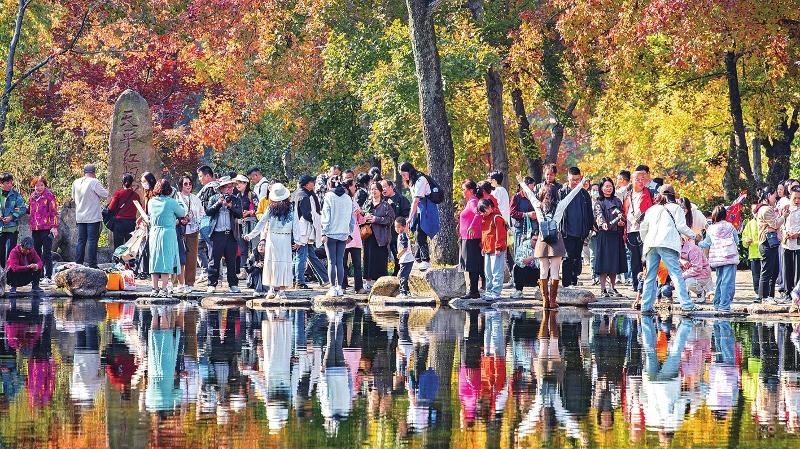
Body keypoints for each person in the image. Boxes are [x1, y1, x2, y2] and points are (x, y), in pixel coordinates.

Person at [518, 173, 586, 309]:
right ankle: (553, 301)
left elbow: (530, 194)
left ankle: (545, 300)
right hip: (556, 239)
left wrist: (521, 182)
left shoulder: (537, 205)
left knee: (543, 270)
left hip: (542, 239)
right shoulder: (560, 205)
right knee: (555, 271)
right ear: (556, 195)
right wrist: (582, 182)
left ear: (542, 194)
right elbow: (572, 194)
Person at [639, 184, 697, 314]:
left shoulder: (652, 209)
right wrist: (694, 235)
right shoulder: (676, 208)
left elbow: (643, 228)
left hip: (651, 244)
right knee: (676, 274)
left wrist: (646, 241)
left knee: (650, 276)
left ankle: (646, 306)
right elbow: (681, 226)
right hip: (667, 243)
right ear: (673, 195)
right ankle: (686, 304)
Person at [244, 183, 295, 300]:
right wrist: (298, 240)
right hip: (281, 238)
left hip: (275, 238)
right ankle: (279, 290)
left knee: (273, 264)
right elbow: (295, 225)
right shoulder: (289, 208)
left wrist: (251, 235)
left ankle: (274, 290)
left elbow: (261, 222)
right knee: (281, 264)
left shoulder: (272, 208)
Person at [146, 179, 187, 296]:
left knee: (154, 259)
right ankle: (164, 288)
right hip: (168, 232)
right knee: (166, 259)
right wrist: (179, 202)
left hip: (154, 232)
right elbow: (182, 213)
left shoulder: (151, 202)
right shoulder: (172, 202)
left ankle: (154, 288)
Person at [205, 176, 243, 293]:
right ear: (221, 188)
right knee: (214, 260)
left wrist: (230, 207)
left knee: (231, 260)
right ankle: (212, 283)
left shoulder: (236, 199)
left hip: (230, 234)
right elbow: (208, 212)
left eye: (231, 186)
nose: (229, 189)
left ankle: (233, 284)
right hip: (217, 233)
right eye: (226, 187)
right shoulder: (213, 198)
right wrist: (219, 203)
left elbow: (240, 214)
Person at [698, 205, 739, 312]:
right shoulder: (730, 227)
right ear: (725, 215)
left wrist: (698, 242)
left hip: (717, 259)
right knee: (728, 282)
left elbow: (706, 243)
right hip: (730, 258)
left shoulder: (711, 229)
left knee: (720, 281)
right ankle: (724, 306)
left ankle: (717, 303)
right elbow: (737, 241)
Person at [400, 162, 440, 271]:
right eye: (402, 175)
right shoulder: (413, 181)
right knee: (417, 232)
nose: (404, 177)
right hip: (418, 209)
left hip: (425, 208)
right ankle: (418, 258)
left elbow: (416, 200)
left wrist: (409, 217)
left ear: (409, 171)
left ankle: (425, 260)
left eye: (404, 174)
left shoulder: (420, 179)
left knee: (421, 232)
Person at [321, 176, 355, 297]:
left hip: (330, 233)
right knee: (340, 261)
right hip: (343, 233)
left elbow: (326, 215)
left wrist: (323, 232)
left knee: (331, 261)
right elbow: (352, 218)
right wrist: (350, 232)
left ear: (330, 185)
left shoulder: (329, 196)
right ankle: (340, 287)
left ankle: (332, 287)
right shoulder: (347, 198)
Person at [593, 177, 627, 297]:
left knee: (614, 262)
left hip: (616, 234)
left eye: (610, 186)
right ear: (601, 188)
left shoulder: (617, 201)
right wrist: (603, 224)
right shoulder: (599, 202)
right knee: (603, 263)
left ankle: (613, 287)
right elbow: (599, 216)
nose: (608, 188)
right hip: (604, 235)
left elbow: (622, 215)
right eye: (606, 186)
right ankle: (603, 289)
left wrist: (622, 222)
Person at [560, 167, 593, 288]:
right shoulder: (562, 192)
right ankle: (566, 283)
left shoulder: (584, 194)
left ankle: (574, 280)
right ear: (568, 178)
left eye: (577, 179)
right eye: (572, 179)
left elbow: (589, 213)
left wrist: (589, 229)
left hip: (581, 231)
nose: (574, 182)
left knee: (577, 257)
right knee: (567, 257)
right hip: (566, 231)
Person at [294, 175, 329, 288]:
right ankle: (299, 282)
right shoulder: (303, 196)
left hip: (303, 231)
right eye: (312, 182)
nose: (313, 184)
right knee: (301, 256)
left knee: (311, 255)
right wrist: (317, 221)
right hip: (303, 231)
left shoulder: (298, 194)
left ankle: (324, 279)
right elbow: (306, 215)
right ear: (307, 184)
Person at [70, 164, 108, 268]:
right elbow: (105, 194)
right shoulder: (94, 182)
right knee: (92, 240)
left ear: (84, 172)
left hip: (80, 216)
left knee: (81, 240)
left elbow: (73, 197)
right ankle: (92, 264)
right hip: (93, 216)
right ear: (93, 173)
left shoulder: (76, 182)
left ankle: (78, 263)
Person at [623, 170, 654, 292]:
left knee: (646, 258)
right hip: (631, 230)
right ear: (632, 180)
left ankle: (648, 284)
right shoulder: (628, 195)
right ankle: (636, 284)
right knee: (634, 258)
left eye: (643, 179)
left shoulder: (649, 194)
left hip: (645, 230)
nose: (641, 182)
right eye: (638, 179)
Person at [361, 180, 395, 291]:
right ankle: (368, 282)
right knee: (368, 258)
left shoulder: (386, 205)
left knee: (380, 259)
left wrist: (377, 219)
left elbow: (390, 220)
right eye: (371, 189)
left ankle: (381, 283)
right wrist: (364, 218)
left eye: (375, 189)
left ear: (380, 191)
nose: (373, 191)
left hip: (381, 237)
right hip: (368, 236)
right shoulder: (367, 204)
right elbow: (361, 218)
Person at [754, 186, 786, 303]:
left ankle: (770, 296)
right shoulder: (766, 209)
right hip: (767, 243)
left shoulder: (765, 208)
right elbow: (775, 224)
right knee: (767, 270)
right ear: (768, 196)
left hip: (770, 243)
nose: (775, 197)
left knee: (774, 270)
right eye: (774, 195)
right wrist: (784, 217)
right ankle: (764, 296)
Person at [510, 176, 538, 298]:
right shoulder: (516, 197)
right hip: (521, 229)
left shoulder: (534, 198)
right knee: (519, 256)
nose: (531, 190)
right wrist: (526, 214)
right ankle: (517, 284)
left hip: (534, 230)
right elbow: (512, 213)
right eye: (529, 187)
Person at [28, 176, 58, 283]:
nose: (39, 188)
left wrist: (54, 227)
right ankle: (38, 275)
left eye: (41, 185)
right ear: (34, 186)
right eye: (37, 186)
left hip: (46, 228)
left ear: (45, 185)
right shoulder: (32, 197)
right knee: (36, 253)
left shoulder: (49, 196)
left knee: (46, 253)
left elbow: (54, 212)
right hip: (35, 229)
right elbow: (30, 211)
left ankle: (48, 276)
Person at [458, 180, 484, 300]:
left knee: (472, 265)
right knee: (470, 265)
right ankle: (473, 290)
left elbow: (478, 213)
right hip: (467, 238)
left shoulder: (473, 201)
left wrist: (472, 225)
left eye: (464, 189)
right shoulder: (470, 201)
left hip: (471, 238)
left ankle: (474, 291)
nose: (463, 192)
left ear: (471, 190)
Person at [176, 175, 203, 291]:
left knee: (192, 257)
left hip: (193, 229)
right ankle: (178, 282)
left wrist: (198, 222)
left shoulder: (196, 198)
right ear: (181, 185)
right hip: (180, 230)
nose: (188, 186)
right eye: (185, 184)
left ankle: (190, 283)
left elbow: (202, 213)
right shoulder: (176, 197)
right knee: (179, 257)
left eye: (190, 183)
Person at [479, 198, 507, 301]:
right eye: (481, 211)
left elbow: (501, 234)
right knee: (488, 272)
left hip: (496, 250)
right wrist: (482, 246)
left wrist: (498, 247)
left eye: (484, 210)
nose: (483, 213)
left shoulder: (497, 218)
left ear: (490, 207)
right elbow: (484, 234)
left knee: (496, 272)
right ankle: (489, 291)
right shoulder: (484, 219)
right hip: (487, 249)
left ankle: (496, 292)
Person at [381, 179, 411, 275]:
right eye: (381, 187)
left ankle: (398, 274)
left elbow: (407, 216)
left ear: (391, 187)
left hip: (397, 234)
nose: (383, 189)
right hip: (383, 234)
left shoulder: (401, 199)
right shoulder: (382, 200)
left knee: (398, 255)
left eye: (384, 186)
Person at [342, 179, 366, 294]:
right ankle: (342, 286)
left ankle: (358, 287)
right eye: (353, 186)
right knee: (343, 263)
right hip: (344, 235)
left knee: (357, 264)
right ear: (348, 187)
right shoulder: (341, 201)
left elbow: (361, 221)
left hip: (355, 236)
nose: (355, 188)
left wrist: (361, 213)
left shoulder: (354, 201)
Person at [107, 173, 140, 249]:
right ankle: (130, 260)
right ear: (132, 183)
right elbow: (139, 207)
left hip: (119, 223)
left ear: (122, 182)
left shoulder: (118, 193)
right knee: (130, 245)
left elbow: (111, 208)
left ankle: (118, 260)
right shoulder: (136, 195)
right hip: (131, 222)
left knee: (118, 245)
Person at [234, 174, 258, 278]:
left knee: (254, 248)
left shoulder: (251, 195)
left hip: (251, 224)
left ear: (245, 183)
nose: (237, 185)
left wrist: (249, 212)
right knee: (243, 249)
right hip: (240, 224)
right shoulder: (237, 196)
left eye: (239, 182)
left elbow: (258, 208)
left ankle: (255, 270)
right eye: (236, 183)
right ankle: (244, 271)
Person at [680, 237, 713, 302]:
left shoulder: (692, 249)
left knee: (688, 282)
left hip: (702, 274)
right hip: (689, 273)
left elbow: (697, 268)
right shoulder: (675, 250)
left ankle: (700, 292)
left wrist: (681, 276)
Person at [782, 188, 800, 298]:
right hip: (786, 243)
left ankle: (797, 293)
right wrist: (785, 233)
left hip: (798, 243)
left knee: (798, 270)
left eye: (799, 198)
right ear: (790, 197)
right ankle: (787, 292)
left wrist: (798, 234)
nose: (797, 200)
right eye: (795, 198)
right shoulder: (785, 208)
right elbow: (780, 224)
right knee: (786, 268)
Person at [741, 211, 762, 294]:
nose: (756, 213)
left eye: (757, 211)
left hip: (765, 253)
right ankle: (757, 293)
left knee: (766, 276)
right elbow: (744, 237)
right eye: (754, 211)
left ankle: (766, 294)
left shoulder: (766, 222)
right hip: (754, 254)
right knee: (756, 276)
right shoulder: (750, 224)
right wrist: (746, 241)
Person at [395, 217, 415, 298]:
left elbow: (405, 247)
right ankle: (407, 291)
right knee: (404, 275)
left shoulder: (403, 235)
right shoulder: (401, 234)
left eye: (398, 227)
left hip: (406, 259)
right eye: (395, 227)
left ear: (403, 226)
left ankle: (403, 292)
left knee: (403, 276)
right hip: (405, 259)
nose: (396, 229)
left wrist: (399, 254)